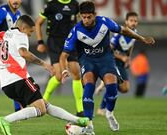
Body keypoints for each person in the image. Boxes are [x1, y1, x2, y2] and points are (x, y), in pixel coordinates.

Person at [0, 15, 91, 135]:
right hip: (20, 79)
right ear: (23, 28)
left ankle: (79, 120)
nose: (30, 34)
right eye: (30, 31)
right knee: (41, 110)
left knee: (44, 105)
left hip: (7, 85)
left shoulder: (2, 35)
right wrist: (46, 65)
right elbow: (24, 53)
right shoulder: (20, 35)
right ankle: (5, 120)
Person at [59, 1, 155, 133]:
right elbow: (63, 56)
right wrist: (64, 69)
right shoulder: (75, 31)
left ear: (95, 15)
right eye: (83, 17)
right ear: (80, 16)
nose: (86, 20)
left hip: (106, 60)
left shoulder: (104, 22)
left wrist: (141, 38)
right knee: (88, 87)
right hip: (87, 61)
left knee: (112, 88)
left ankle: (109, 113)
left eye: (89, 17)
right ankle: (89, 125)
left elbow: (124, 30)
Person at [95, 12, 151, 115]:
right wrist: (122, 57)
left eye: (135, 21)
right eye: (131, 20)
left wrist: (128, 58)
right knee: (115, 84)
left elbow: (130, 46)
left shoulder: (135, 33)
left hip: (121, 63)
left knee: (125, 89)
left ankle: (104, 84)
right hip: (112, 61)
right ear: (126, 22)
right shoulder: (119, 34)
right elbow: (109, 50)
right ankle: (102, 108)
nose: (133, 23)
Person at [35, 0, 84, 116]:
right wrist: (40, 42)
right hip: (55, 42)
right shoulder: (51, 5)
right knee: (58, 75)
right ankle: (43, 100)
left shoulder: (75, 5)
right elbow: (38, 23)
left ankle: (80, 109)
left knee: (76, 73)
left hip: (70, 41)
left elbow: (81, 21)